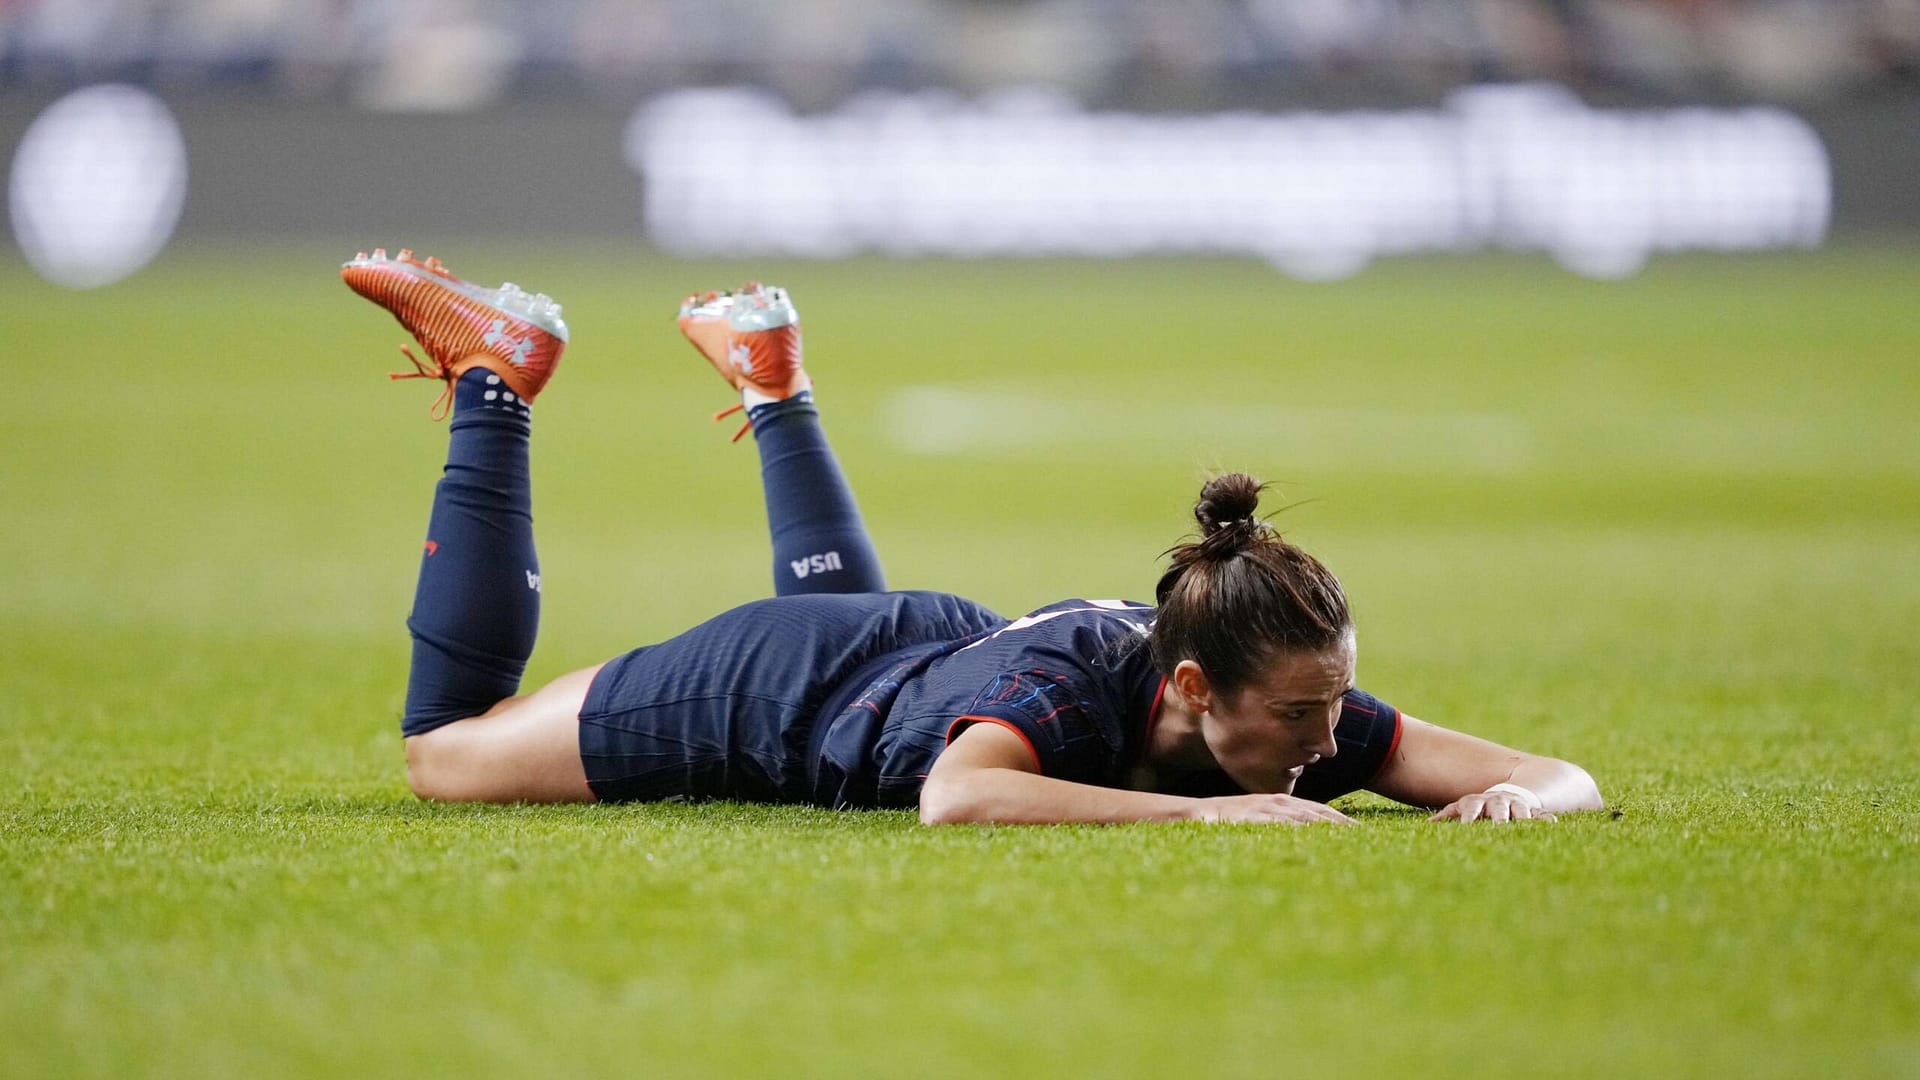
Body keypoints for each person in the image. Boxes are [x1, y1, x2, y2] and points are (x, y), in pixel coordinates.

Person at [341, 248, 1604, 825]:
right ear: (1190, 687)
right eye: (1304, 720)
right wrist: (1210, 823)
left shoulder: (1276, 694)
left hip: (922, 655)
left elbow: (1564, 779)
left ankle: (775, 385)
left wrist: (1514, 802)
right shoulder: (1078, 695)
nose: (1331, 745)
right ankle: (498, 376)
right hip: (777, 689)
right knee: (445, 755)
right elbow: (960, 796)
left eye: (1331, 712)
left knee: (885, 687)